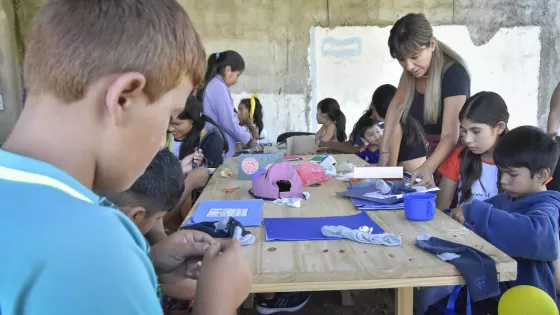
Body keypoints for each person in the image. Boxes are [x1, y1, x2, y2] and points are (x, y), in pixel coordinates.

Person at [0, 1, 251, 315]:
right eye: (168, 117)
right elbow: (85, 263)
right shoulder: (95, 245)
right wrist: (218, 303)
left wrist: (148, 265)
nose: (164, 140)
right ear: (122, 98)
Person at [450, 125, 560, 305]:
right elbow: (471, 218)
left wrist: (474, 211)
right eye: (502, 172)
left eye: (512, 174)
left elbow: (536, 235)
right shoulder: (505, 200)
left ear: (541, 175)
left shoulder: (547, 208)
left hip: (529, 304)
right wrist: (456, 215)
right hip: (497, 295)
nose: (503, 180)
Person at [379, 13, 470, 187]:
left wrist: (428, 167)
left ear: (432, 45)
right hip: (424, 151)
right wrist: (384, 154)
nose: (409, 66)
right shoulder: (410, 73)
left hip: (451, 157)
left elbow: (451, 135)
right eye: (401, 60)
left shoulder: (455, 74)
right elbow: (395, 109)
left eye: (414, 57)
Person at [104, 150, 198, 308]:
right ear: (136, 216)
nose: (158, 223)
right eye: (158, 218)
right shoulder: (115, 260)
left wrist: (154, 258)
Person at [322, 84, 427, 171]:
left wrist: (360, 169)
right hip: (413, 178)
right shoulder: (408, 121)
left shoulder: (396, 126)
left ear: (383, 109)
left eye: (374, 108)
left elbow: (390, 169)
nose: (372, 113)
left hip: (411, 182)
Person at [436, 92, 509, 210]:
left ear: (500, 127)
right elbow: (440, 210)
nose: (467, 140)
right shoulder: (459, 157)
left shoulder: (520, 158)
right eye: (464, 131)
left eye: (476, 131)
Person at [198, 50, 257, 157]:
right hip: (218, 148)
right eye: (237, 75)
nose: (236, 80)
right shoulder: (218, 87)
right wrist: (248, 138)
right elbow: (228, 122)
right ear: (228, 70)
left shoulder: (216, 85)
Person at [169, 95, 227, 168]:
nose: (170, 128)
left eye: (177, 124)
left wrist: (199, 166)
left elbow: (211, 172)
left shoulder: (210, 137)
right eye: (168, 122)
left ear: (193, 120)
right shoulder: (164, 136)